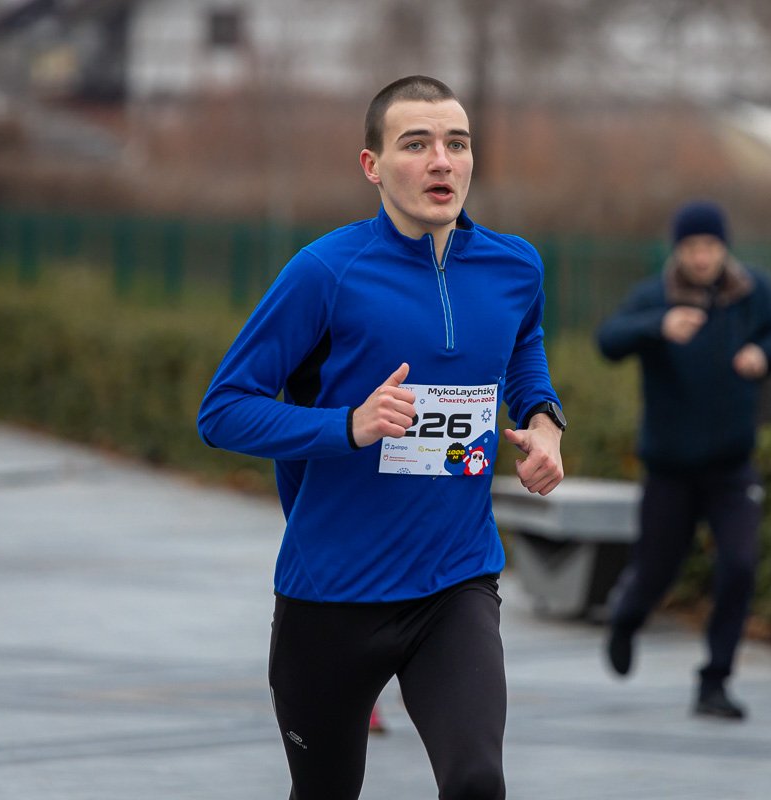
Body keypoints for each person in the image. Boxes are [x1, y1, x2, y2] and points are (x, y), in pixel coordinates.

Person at [198, 75, 565, 800]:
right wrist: (348, 424)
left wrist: (544, 419)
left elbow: (523, 341)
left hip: (455, 581)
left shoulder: (514, 266)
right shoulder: (325, 272)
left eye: (457, 143)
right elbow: (224, 410)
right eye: (416, 144)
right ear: (372, 165)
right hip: (333, 590)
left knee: (477, 782)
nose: (441, 161)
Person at [597, 200, 771, 720]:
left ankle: (715, 682)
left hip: (732, 466)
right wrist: (659, 326)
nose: (702, 257)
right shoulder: (655, 296)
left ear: (724, 248)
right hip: (670, 468)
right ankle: (626, 617)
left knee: (740, 565)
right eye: (692, 247)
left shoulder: (749, 292)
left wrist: (763, 353)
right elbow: (608, 341)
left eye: (711, 246)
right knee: (655, 570)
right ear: (678, 251)